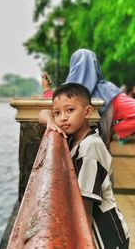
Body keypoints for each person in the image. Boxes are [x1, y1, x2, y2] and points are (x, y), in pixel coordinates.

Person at [39, 83, 129, 248]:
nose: (63, 118)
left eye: (70, 110)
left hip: (105, 236)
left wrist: (83, 243)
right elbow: (42, 113)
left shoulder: (89, 148)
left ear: (87, 112)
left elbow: (84, 205)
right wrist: (50, 121)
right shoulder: (75, 136)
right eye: (57, 113)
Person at [40, 49, 135, 147]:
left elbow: (45, 108)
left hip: (76, 150)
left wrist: (47, 91)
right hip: (95, 149)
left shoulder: (65, 91)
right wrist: (114, 129)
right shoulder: (109, 92)